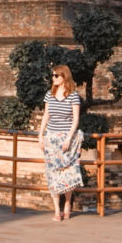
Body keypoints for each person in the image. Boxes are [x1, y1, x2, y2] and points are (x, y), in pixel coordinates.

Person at [38, 63, 83, 221]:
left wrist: (69, 139)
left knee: (67, 172)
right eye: (53, 75)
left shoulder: (73, 96)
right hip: (51, 138)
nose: (53, 78)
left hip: (66, 138)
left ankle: (68, 203)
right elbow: (46, 116)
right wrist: (40, 135)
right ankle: (57, 210)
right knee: (53, 173)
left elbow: (75, 119)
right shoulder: (50, 95)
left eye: (56, 75)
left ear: (64, 77)